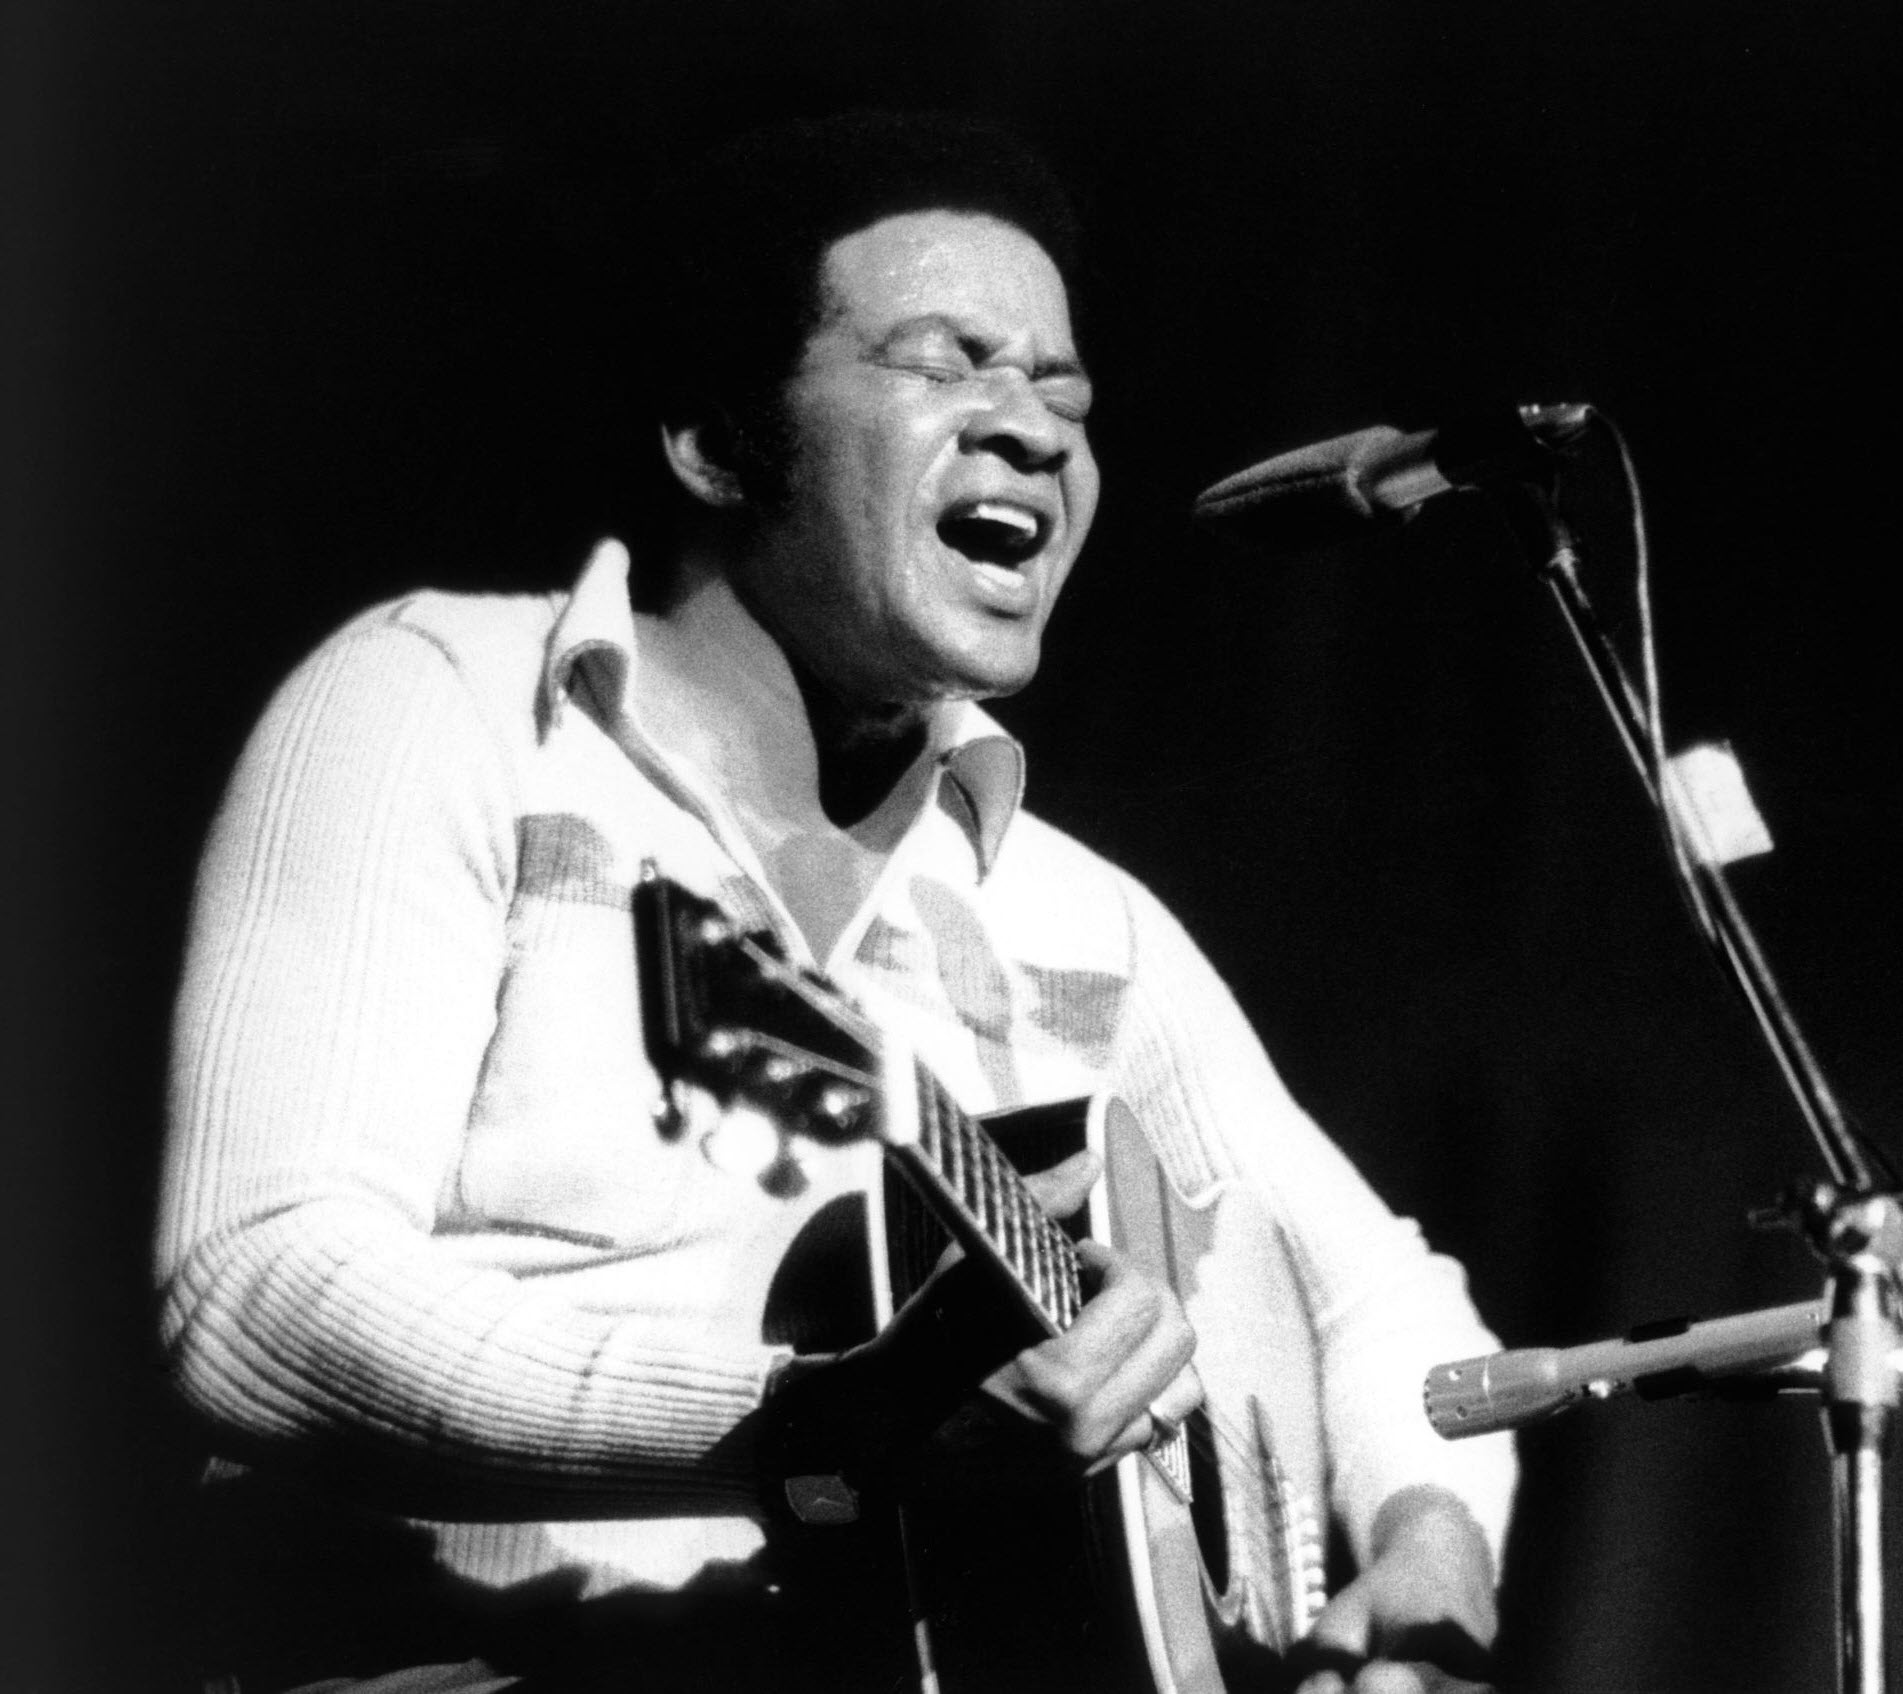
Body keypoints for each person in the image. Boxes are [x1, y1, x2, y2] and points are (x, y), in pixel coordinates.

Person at [157, 111, 1515, 1694]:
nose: (1036, 433)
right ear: (715, 436)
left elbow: (1383, 1294)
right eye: (948, 362)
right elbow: (254, 1292)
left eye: (1066, 396)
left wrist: (1429, 1566)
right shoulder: (451, 706)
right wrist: (820, 1427)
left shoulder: (1082, 921)